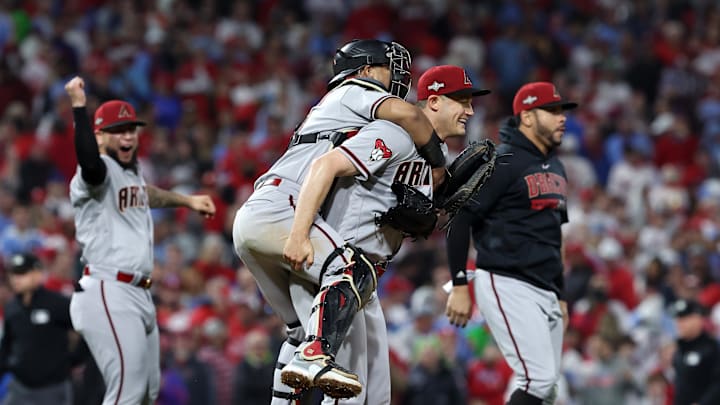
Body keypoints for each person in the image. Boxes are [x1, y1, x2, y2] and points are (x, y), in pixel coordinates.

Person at [232, 39, 448, 404]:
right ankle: (318, 355)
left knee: (300, 331)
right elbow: (410, 116)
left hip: (257, 218)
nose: (395, 77)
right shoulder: (353, 90)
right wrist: (439, 165)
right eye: (386, 68)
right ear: (364, 70)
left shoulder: (334, 111)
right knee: (353, 268)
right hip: (285, 207)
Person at [278, 64, 490, 400]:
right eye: (461, 100)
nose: (470, 110)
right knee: (345, 391)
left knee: (375, 396)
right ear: (433, 101)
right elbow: (328, 165)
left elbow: (405, 214)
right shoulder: (395, 133)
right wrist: (299, 234)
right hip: (339, 270)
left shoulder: (437, 156)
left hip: (366, 277)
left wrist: (439, 204)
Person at [64, 76, 216, 405]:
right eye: (118, 130)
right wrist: (79, 108)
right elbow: (89, 161)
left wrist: (187, 201)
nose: (128, 136)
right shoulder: (97, 170)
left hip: (139, 294)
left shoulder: (131, 171)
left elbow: (147, 195)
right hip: (109, 289)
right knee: (127, 393)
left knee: (146, 393)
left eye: (131, 129)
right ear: (100, 136)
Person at [444, 81, 577, 405]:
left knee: (548, 391)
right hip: (508, 281)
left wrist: (560, 293)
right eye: (552, 111)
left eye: (562, 111)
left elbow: (554, 234)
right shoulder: (502, 161)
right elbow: (460, 220)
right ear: (528, 117)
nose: (562, 118)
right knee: (538, 380)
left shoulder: (556, 166)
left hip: (546, 286)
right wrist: (460, 284)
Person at [0, 252, 85, 405]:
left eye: (23, 273)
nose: (16, 279)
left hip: (52, 388)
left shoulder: (57, 303)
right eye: (14, 274)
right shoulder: (12, 307)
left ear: (37, 274)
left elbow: (84, 330)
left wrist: (74, 359)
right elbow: (7, 345)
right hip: (20, 387)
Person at [669, 298, 720, 405]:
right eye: (678, 319)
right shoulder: (679, 352)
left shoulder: (711, 348)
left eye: (684, 318)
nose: (679, 323)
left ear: (697, 318)